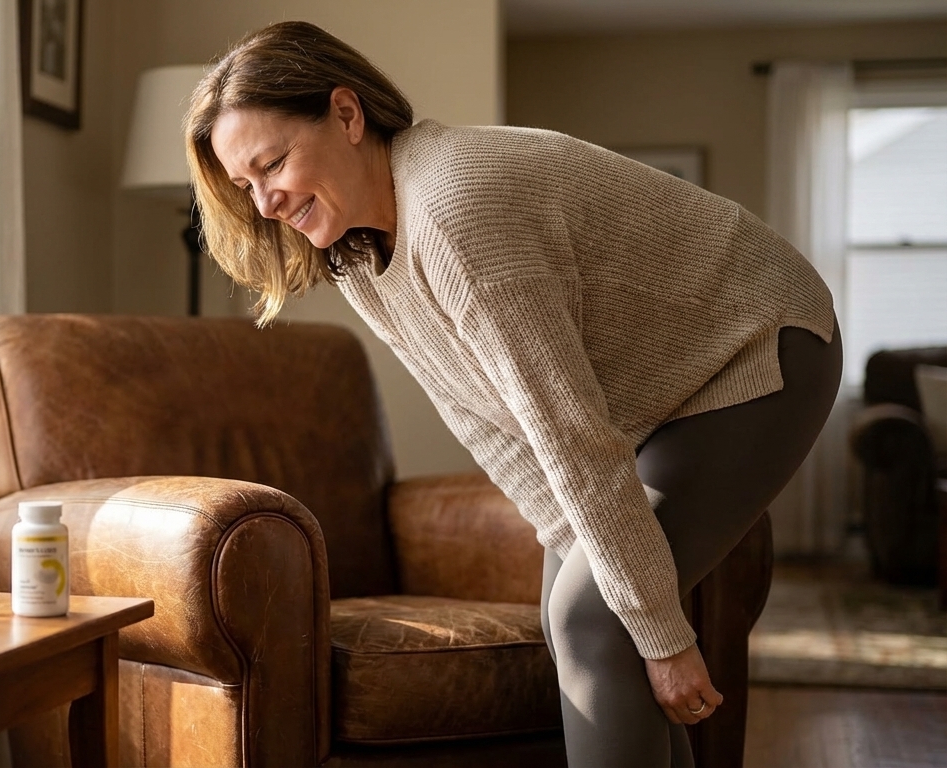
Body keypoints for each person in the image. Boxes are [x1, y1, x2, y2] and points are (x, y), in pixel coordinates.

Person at [184, 20, 842, 768]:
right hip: (655, 399)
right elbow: (490, 421)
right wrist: (606, 581)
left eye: (272, 164)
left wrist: (662, 634)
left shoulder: (456, 210)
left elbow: (566, 429)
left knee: (594, 619)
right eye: (245, 186)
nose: (265, 203)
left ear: (345, 113)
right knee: (582, 617)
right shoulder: (356, 254)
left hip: (759, 345)